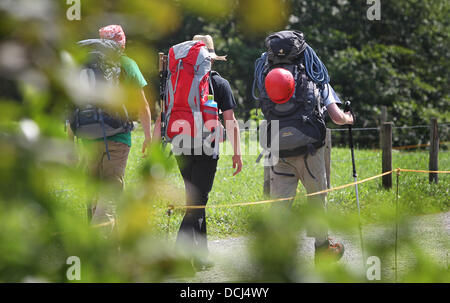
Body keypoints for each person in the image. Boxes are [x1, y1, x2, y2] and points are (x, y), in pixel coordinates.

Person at [254, 30, 354, 264]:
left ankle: (276, 257)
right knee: (317, 199)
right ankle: (322, 250)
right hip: (311, 150)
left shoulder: (266, 77)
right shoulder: (314, 77)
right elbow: (337, 117)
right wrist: (350, 118)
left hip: (280, 150)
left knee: (279, 204)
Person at [153, 34, 243, 270]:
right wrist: (237, 153)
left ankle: (201, 257)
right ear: (210, 58)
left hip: (180, 142)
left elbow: (162, 114)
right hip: (206, 145)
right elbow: (230, 121)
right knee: (198, 202)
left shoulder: (175, 79)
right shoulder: (220, 83)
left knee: (194, 199)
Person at [69, 25, 152, 237]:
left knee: (94, 195)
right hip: (118, 138)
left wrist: (71, 141)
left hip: (86, 137)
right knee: (110, 197)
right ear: (122, 43)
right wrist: (148, 138)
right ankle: (99, 247)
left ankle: (105, 252)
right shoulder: (127, 64)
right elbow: (142, 105)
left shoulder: (85, 65)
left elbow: (74, 104)